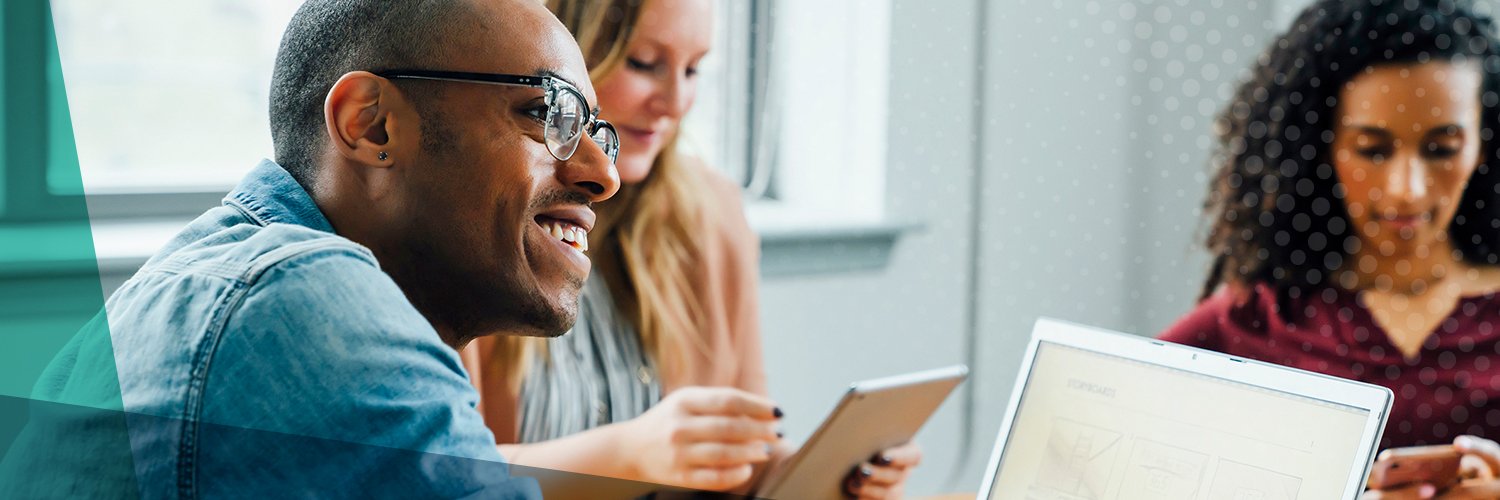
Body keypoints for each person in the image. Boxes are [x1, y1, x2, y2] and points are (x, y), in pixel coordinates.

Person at [0, 0, 619, 497]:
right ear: (370, 124)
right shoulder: (300, 300)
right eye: (547, 112)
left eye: (598, 132)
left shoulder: (220, 278)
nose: (604, 175)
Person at [462, 0, 920, 497]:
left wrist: (836, 473)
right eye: (642, 63)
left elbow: (745, 455)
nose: (677, 102)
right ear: (559, 54)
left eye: (694, 69)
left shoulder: (712, 216)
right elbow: (438, 477)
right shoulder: (471, 217)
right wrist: (630, 454)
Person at [1157, 0, 1500, 496]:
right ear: (1320, 146)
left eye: (1442, 148)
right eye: (1372, 150)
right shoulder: (1253, 320)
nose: (1408, 189)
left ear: (1484, 144)